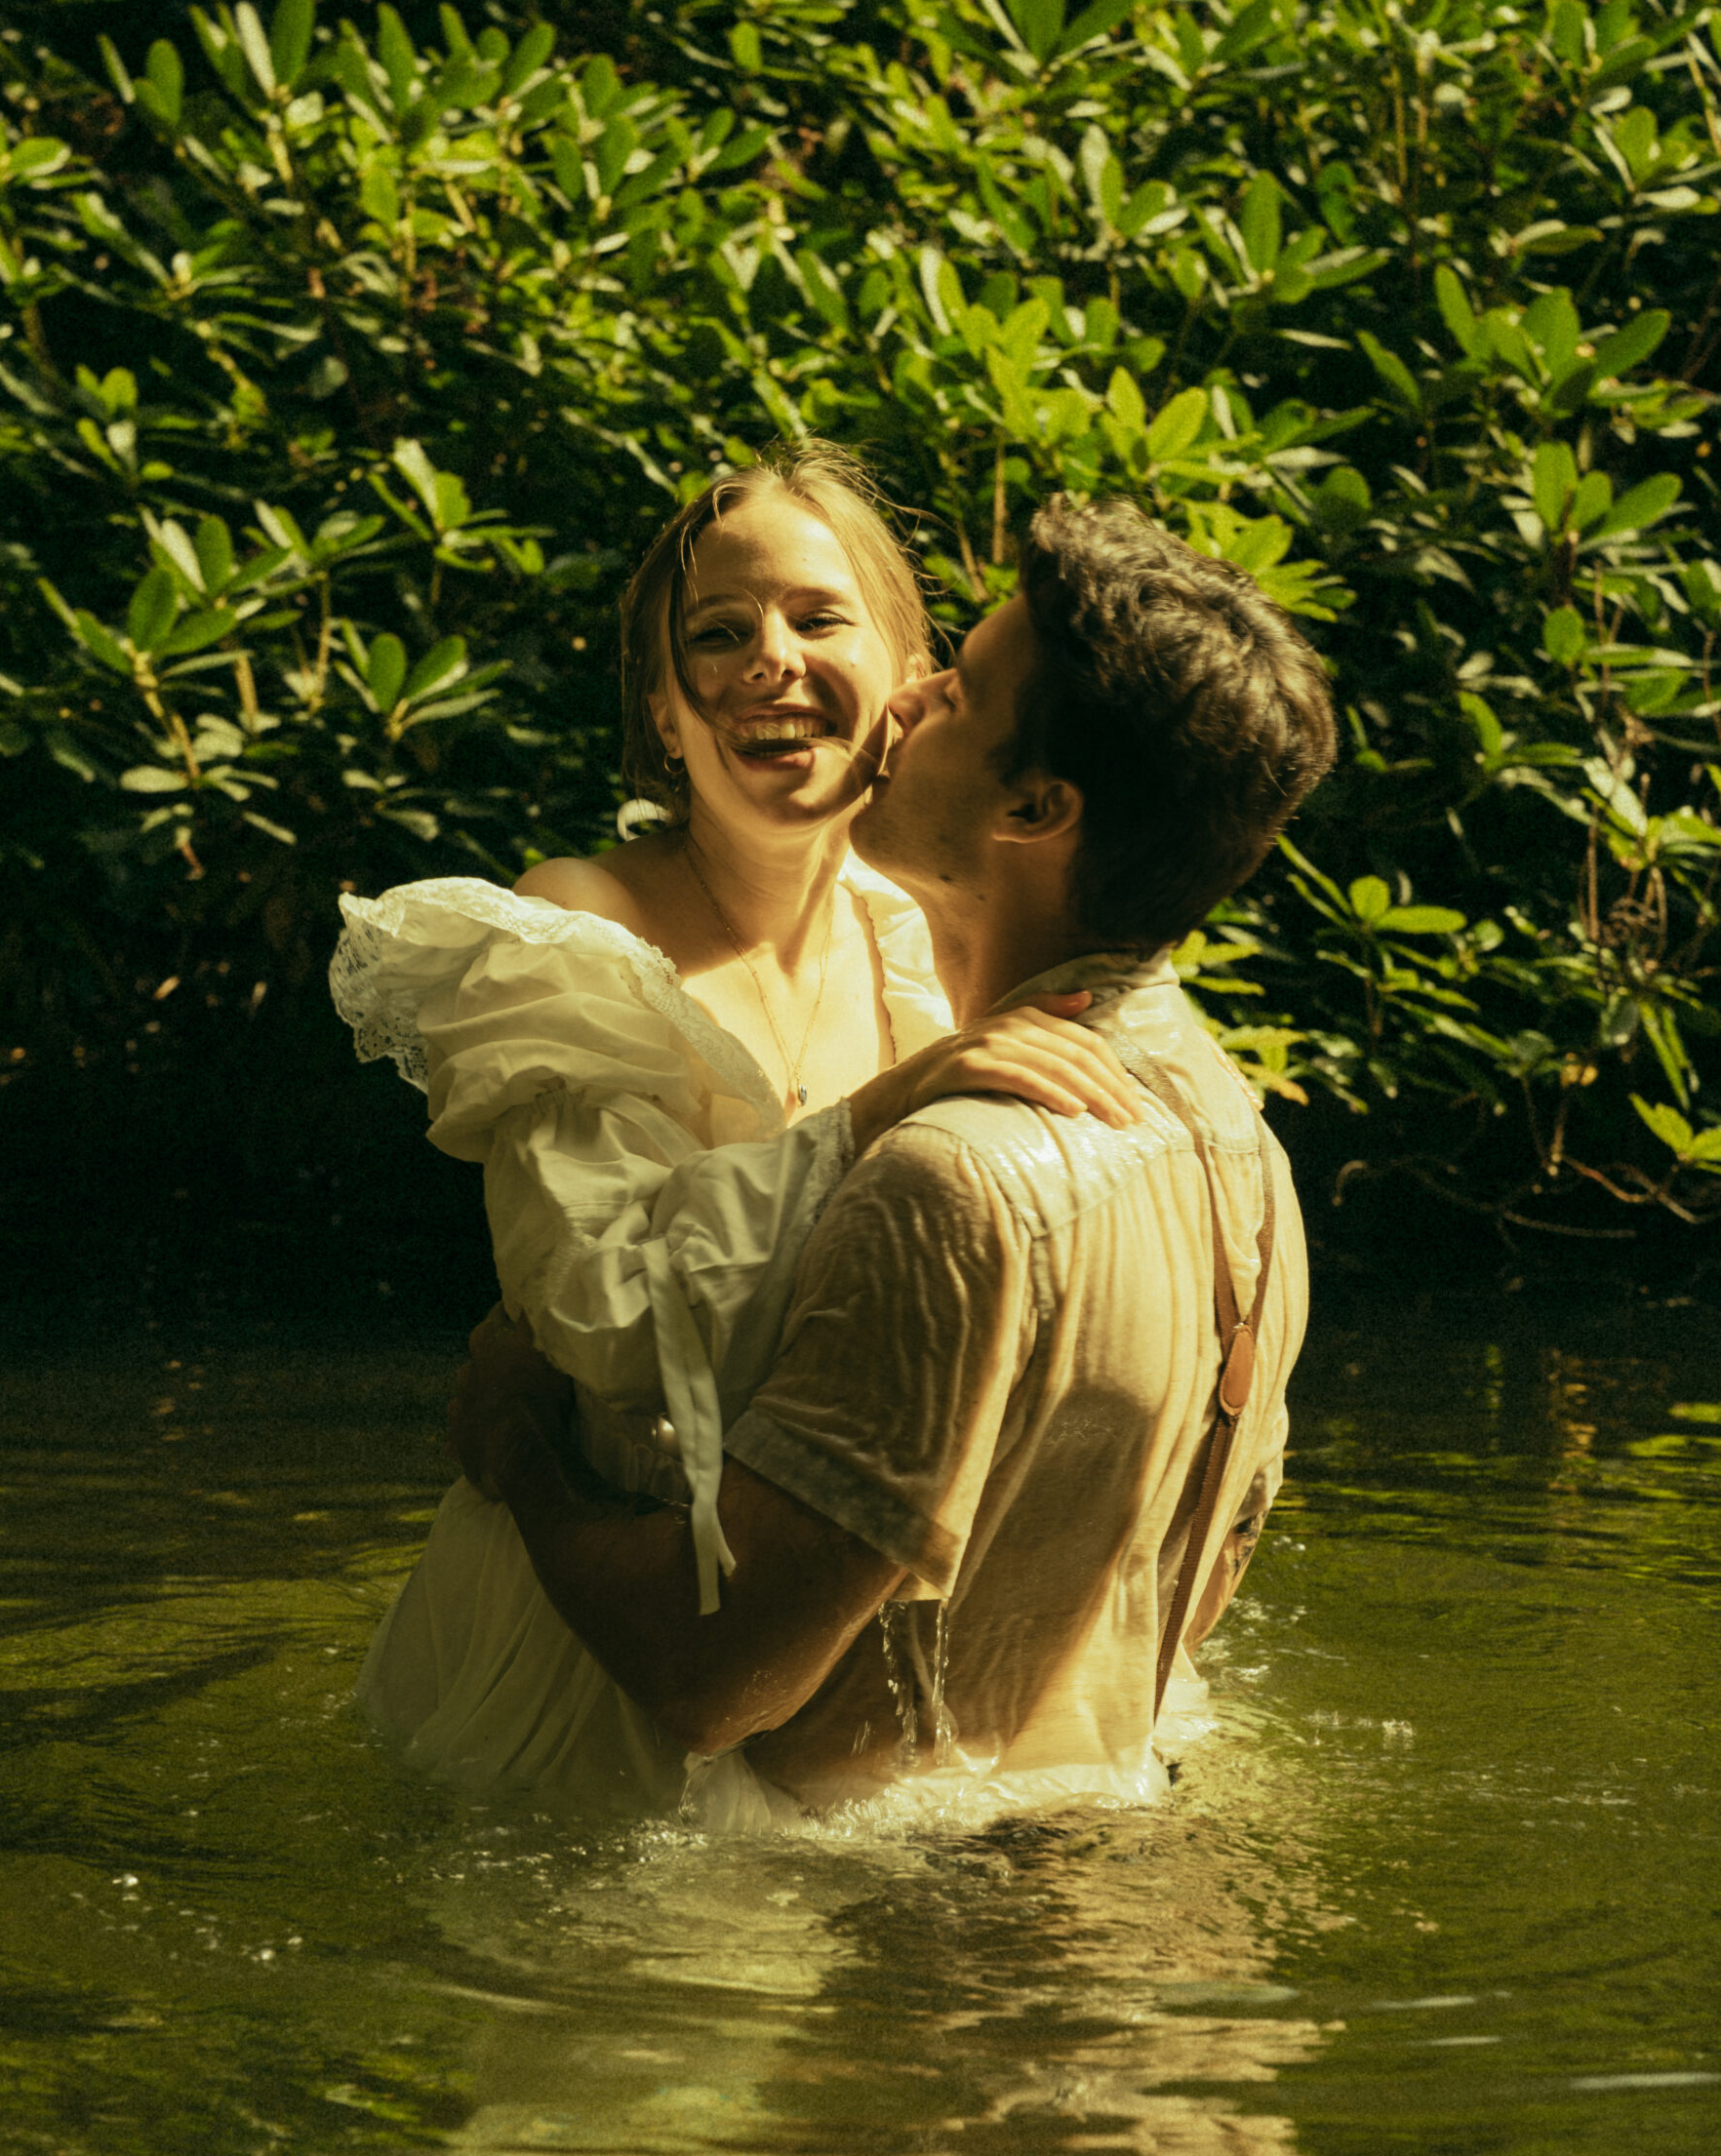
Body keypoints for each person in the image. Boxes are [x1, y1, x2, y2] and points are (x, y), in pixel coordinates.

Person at [448, 496, 1338, 1824]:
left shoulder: (954, 1176)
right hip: (1089, 1829)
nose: (913, 702)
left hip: (832, 1914)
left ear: (1036, 804)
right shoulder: (1233, 1137)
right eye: (718, 628)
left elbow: (708, 1682)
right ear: (658, 694)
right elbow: (1197, 1580)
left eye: (957, 688)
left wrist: (516, 1450)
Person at [331, 446, 1139, 1812]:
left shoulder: (927, 937)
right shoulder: (578, 926)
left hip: (847, 1633)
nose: (769, 659)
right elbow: (599, 1307)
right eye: (718, 634)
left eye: (817, 619)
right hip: (601, 1643)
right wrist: (885, 1106)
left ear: (909, 677)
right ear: (662, 707)